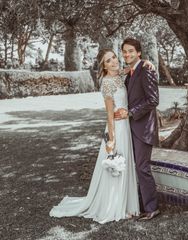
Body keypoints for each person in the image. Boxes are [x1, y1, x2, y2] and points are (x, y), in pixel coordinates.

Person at [49, 49, 154, 223]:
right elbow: (109, 114)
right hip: (117, 128)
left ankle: (127, 204)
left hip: (126, 126)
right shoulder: (106, 82)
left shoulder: (119, 74)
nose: (113, 61)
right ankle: (113, 205)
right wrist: (111, 138)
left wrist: (147, 61)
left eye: (114, 57)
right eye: (108, 61)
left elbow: (134, 65)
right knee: (116, 165)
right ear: (104, 67)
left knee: (125, 164)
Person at [114, 38, 160, 221]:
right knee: (134, 168)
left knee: (142, 167)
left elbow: (153, 100)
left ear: (139, 52)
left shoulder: (146, 69)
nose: (127, 54)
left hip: (143, 128)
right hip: (129, 128)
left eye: (131, 51)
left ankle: (152, 207)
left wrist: (131, 113)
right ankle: (138, 203)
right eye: (124, 51)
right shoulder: (131, 72)